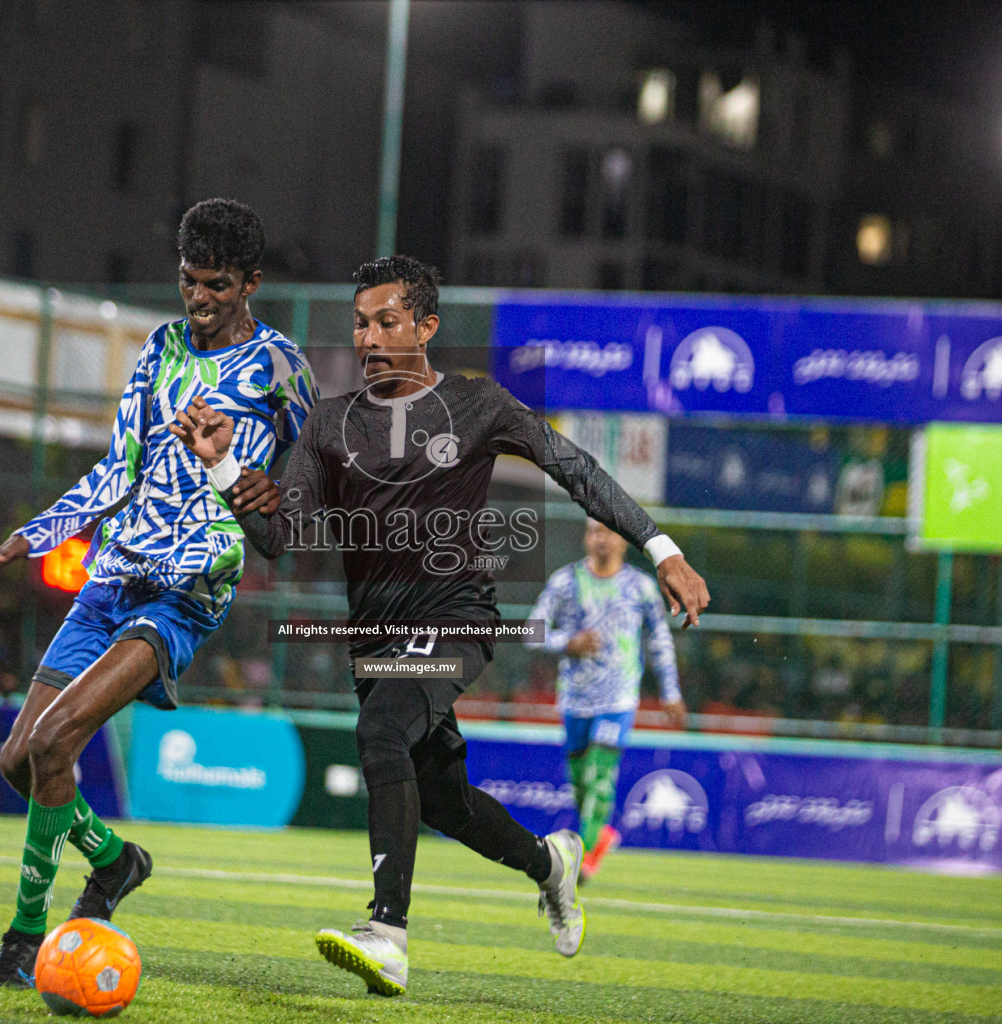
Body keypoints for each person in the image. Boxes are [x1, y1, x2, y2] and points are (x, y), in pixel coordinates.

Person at [172, 255, 709, 997]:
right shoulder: (329, 426)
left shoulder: (477, 404)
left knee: (381, 735)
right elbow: (278, 536)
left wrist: (662, 549)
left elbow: (575, 467)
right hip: (375, 641)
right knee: (447, 801)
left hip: (456, 620)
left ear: (425, 326)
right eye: (360, 323)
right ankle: (550, 864)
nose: (369, 337)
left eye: (387, 320)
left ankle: (386, 933)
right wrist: (227, 470)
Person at [0, 199, 312, 988]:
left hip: (186, 592)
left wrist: (252, 493)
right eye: (189, 280)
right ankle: (115, 861)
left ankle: (22, 941)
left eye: (217, 284)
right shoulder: (160, 347)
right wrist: (32, 537)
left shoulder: (282, 369)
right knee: (20, 758)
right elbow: (119, 469)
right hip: (113, 576)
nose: (199, 298)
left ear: (251, 282)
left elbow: (301, 503)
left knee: (56, 745)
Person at [527, 518, 684, 883]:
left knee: (600, 776)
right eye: (594, 531)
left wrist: (671, 692)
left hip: (619, 697)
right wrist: (567, 642)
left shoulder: (641, 588)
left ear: (624, 541)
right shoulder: (565, 582)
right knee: (581, 784)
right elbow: (531, 631)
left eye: (609, 532)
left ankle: (583, 859)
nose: (602, 539)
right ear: (586, 538)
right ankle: (601, 835)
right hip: (575, 699)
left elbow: (660, 640)